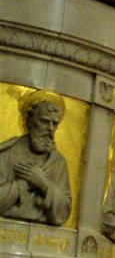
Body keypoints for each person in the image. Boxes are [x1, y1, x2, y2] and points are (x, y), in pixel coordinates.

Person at [0, 93, 73, 225]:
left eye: (55, 123)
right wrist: (24, 184)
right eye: (45, 121)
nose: (50, 128)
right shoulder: (8, 154)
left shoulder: (58, 162)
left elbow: (64, 211)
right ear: (29, 121)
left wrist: (43, 184)